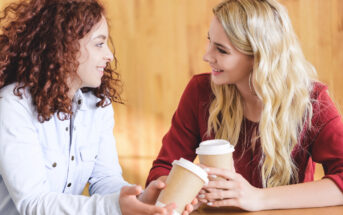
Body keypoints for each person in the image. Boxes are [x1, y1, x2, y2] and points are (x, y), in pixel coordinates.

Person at [0, 0, 195, 214]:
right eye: (99, 44)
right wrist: (115, 206)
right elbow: (33, 203)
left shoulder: (98, 104)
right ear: (63, 46)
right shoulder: (12, 106)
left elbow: (105, 180)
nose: (109, 56)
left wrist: (141, 199)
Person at [147, 0, 343, 211]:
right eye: (210, 41)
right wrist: (190, 192)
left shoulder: (311, 100)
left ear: (260, 58)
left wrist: (258, 198)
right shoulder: (200, 92)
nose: (206, 56)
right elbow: (161, 171)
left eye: (221, 50)